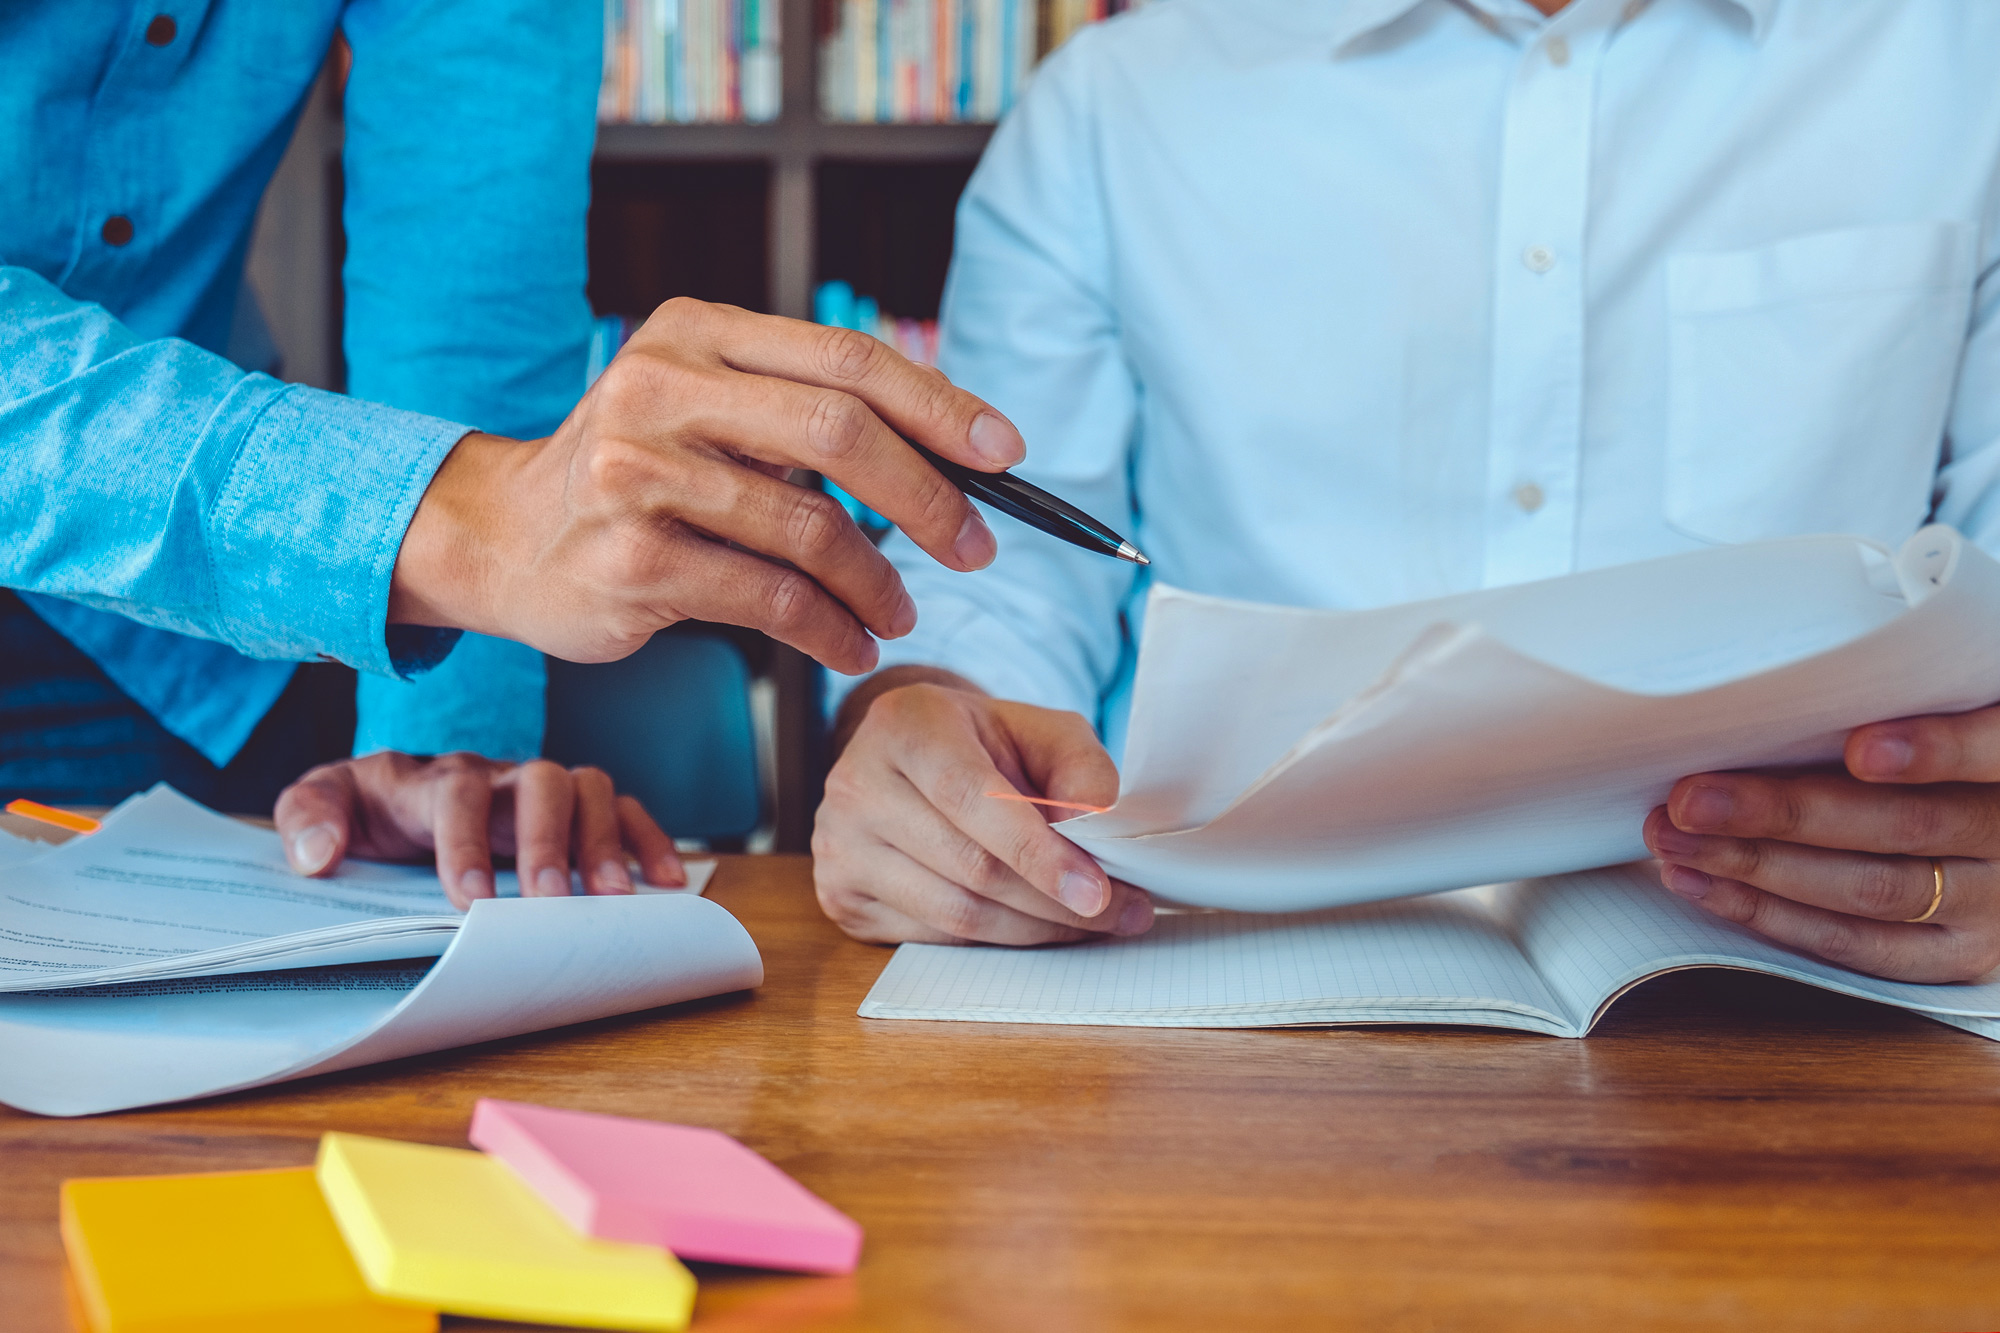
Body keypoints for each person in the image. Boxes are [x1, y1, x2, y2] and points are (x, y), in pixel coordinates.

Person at [811, 0, 2000, 983]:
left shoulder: (1963, 66)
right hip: (1215, 973)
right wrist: (916, 717)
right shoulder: (1115, 106)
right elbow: (1008, 573)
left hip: (1823, 981)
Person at [4, 1, 1022, 902]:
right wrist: (460, 524)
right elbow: (486, 512)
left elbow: (467, 281)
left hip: (180, 645)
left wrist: (446, 743)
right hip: (249, 558)